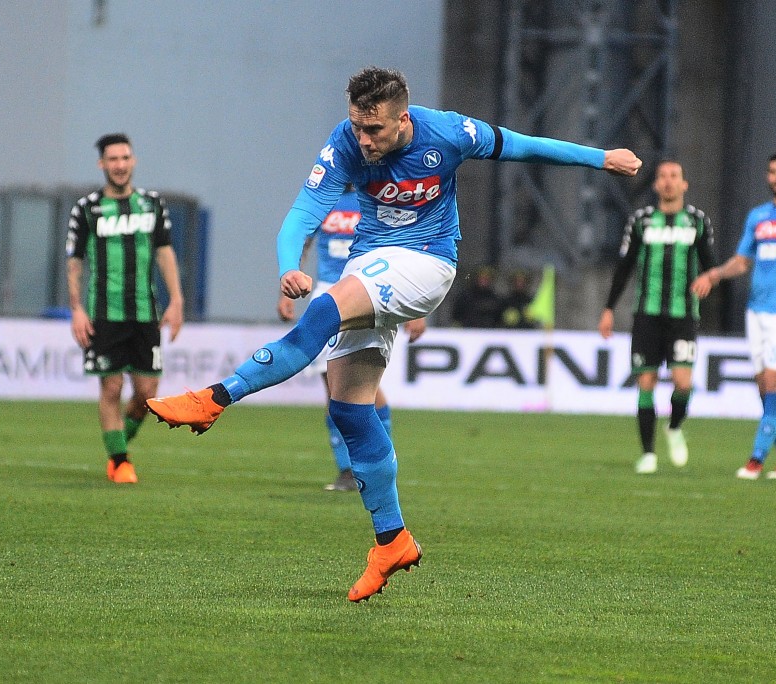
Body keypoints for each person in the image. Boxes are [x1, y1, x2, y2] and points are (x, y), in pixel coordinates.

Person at [147, 66, 640, 601]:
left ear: (403, 118)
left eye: (375, 129)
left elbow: (521, 146)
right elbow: (303, 212)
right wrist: (289, 263)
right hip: (371, 261)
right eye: (358, 126)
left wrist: (600, 158)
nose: (365, 139)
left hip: (428, 264)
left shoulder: (448, 133)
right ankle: (392, 540)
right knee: (348, 407)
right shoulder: (345, 144)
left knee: (323, 312)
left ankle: (216, 397)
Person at [691, 151, 776, 480]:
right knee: (765, 389)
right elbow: (742, 261)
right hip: (756, 311)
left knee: (773, 382)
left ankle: (755, 461)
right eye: (772, 172)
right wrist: (714, 275)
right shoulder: (758, 216)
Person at [277, 184, 426, 492]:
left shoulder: (380, 196)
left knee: (356, 385)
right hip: (327, 292)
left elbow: (405, 248)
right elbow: (303, 240)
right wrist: (287, 282)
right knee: (333, 387)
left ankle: (374, 458)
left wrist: (416, 309)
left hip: (365, 291)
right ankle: (350, 467)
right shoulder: (325, 198)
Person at [66, 133, 184, 484]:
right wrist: (76, 309)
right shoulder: (87, 208)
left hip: (145, 311)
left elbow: (165, 252)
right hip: (104, 313)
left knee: (147, 394)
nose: (119, 165)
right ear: (102, 165)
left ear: (133, 161)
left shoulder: (152, 204)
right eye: (112, 159)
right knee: (112, 388)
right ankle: (119, 461)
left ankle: (119, 443)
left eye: (125, 158)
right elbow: (74, 261)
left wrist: (177, 300)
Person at [599, 160, 715, 474]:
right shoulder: (641, 221)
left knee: (683, 382)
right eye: (662, 176)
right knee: (646, 381)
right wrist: (608, 309)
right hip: (646, 315)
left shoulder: (697, 222)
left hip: (683, 315)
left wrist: (711, 279)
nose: (667, 182)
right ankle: (648, 453)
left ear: (684, 184)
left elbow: (710, 266)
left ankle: (675, 427)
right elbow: (624, 268)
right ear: (655, 185)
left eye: (674, 176)